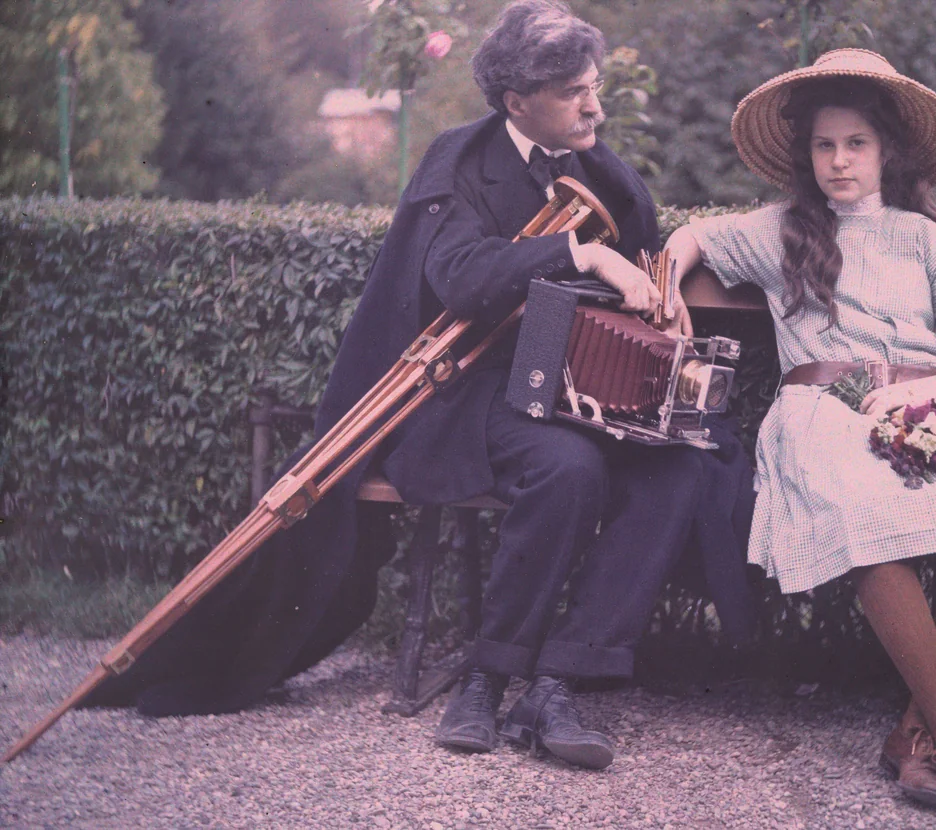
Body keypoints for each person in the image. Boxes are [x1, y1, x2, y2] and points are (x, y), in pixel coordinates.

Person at [82, 0, 757, 772]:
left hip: (580, 397)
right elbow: (461, 277)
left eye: (594, 86)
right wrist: (581, 253)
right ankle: (487, 677)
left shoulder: (609, 176)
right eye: (574, 92)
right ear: (516, 101)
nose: (594, 107)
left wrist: (660, 300)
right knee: (566, 469)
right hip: (469, 396)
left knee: (679, 467)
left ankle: (558, 680)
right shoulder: (458, 162)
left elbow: (645, 272)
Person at [666, 49, 936, 823]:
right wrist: (667, 286)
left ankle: (913, 735)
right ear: (807, 154)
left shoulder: (923, 239)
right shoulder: (781, 231)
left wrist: (924, 392)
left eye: (856, 143)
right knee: (865, 517)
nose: (839, 160)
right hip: (822, 411)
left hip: (927, 403)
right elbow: (694, 236)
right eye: (824, 145)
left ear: (888, 149)